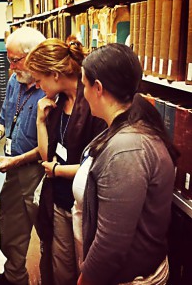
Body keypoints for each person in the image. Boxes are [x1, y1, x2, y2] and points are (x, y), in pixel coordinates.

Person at [74, 43, 179, 285]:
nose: (83, 92)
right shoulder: (132, 125)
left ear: (98, 88)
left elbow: (111, 243)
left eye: (84, 84)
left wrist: (85, 280)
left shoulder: (125, 150)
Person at [25, 37, 107, 285]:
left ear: (56, 74)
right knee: (62, 269)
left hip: (86, 204)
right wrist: (40, 121)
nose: (38, 87)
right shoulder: (57, 103)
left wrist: (58, 171)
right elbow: (45, 155)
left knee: (86, 269)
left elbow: (97, 166)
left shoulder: (94, 103)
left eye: (39, 80)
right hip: (59, 200)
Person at [0, 26, 46, 285]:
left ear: (33, 55)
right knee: (10, 226)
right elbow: (3, 120)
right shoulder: (15, 81)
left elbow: (49, 147)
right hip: (13, 167)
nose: (10, 68)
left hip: (40, 171)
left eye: (14, 60)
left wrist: (17, 160)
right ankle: (14, 276)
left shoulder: (50, 89)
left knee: (49, 234)